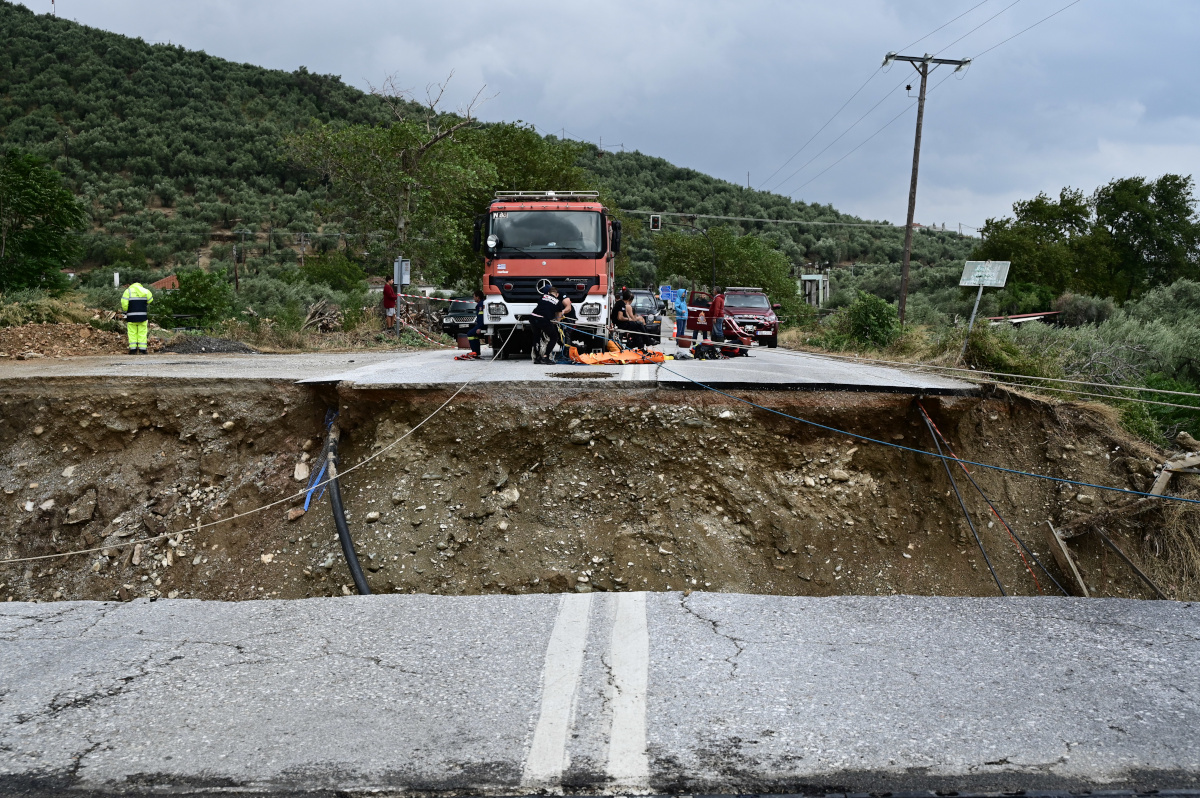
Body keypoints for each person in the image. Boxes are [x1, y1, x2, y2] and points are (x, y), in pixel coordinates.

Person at [531, 284, 569, 365]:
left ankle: (537, 358)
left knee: (536, 336)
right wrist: (555, 322)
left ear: (549, 293)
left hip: (533, 317)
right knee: (554, 337)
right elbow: (558, 318)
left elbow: (542, 306)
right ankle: (546, 357)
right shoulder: (558, 302)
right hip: (543, 319)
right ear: (557, 294)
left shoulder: (543, 297)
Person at [120, 282, 153, 354]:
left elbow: (124, 303)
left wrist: (125, 311)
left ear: (131, 284)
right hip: (143, 316)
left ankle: (133, 350)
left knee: (132, 333)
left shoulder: (128, 291)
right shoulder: (146, 291)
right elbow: (150, 300)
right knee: (142, 333)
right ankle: (142, 350)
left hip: (131, 316)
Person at [465, 288, 485, 359]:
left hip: (482, 325)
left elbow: (481, 318)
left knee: (470, 334)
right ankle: (476, 352)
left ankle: (475, 352)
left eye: (474, 297)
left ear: (478, 297)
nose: (473, 298)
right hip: (481, 324)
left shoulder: (480, 305)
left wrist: (480, 327)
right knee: (473, 334)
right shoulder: (482, 303)